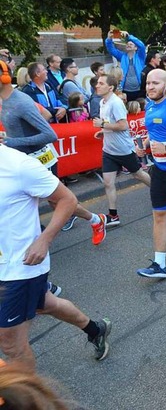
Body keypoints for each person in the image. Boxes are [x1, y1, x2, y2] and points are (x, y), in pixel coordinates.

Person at [0, 144, 112, 369]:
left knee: (10, 343)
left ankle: (28, 399)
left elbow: (67, 200)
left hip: (20, 266)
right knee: (47, 303)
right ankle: (95, 329)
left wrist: (45, 239)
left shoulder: (18, 165)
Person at [0, 61, 106, 244]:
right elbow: (42, 117)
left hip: (41, 160)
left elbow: (50, 134)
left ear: (4, 77)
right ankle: (31, 235)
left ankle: (96, 220)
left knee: (59, 202)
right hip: (21, 162)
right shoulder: (5, 100)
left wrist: (11, 141)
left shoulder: (21, 102)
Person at [135, 69, 166, 278]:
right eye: (148, 83)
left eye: (156, 83)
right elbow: (154, 132)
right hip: (160, 171)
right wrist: (144, 145)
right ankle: (159, 264)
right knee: (160, 216)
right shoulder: (150, 105)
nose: (151, 87)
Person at [93, 74, 151, 226]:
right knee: (108, 183)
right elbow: (110, 123)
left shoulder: (116, 103)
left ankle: (160, 193)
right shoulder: (102, 102)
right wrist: (103, 131)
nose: (97, 85)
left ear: (110, 87)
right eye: (97, 83)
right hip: (109, 151)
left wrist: (103, 126)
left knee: (138, 175)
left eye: (100, 83)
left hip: (123, 150)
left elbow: (123, 125)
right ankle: (113, 215)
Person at [105, 29, 146, 102]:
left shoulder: (140, 57)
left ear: (136, 48)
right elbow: (111, 49)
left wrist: (129, 37)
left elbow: (142, 46)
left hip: (139, 89)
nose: (128, 45)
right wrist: (109, 39)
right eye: (127, 44)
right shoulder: (122, 56)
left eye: (131, 44)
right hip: (125, 90)